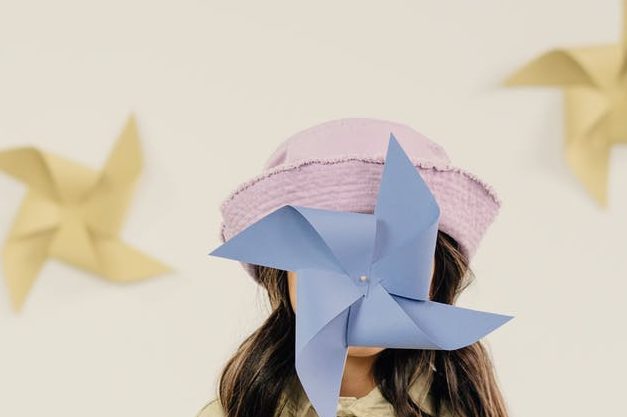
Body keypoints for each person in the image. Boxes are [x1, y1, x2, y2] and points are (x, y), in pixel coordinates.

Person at [198, 118, 510, 417]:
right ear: (283, 270)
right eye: (333, 252)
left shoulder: (464, 409)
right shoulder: (236, 410)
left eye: (390, 251)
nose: (364, 278)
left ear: (436, 269)